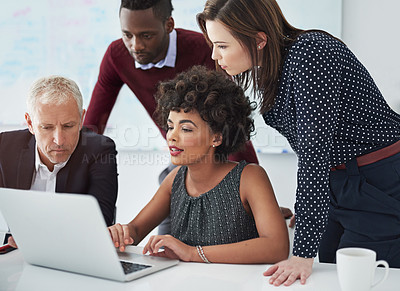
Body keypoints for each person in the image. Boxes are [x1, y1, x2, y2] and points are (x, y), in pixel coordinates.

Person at [197, 0, 400, 286]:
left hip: (376, 179)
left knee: (364, 281)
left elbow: (314, 154)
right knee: (328, 273)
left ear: (258, 40)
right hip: (340, 181)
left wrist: (303, 249)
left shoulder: (310, 53)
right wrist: (311, 208)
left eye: (223, 45)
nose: (215, 56)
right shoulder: (275, 67)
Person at [83, 0, 260, 235]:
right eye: (127, 35)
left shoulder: (204, 49)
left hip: (218, 158)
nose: (135, 46)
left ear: (169, 25)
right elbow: (92, 128)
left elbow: (230, 123)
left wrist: (256, 195)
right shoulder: (117, 56)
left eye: (146, 35)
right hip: (181, 162)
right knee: (166, 240)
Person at [108, 65, 289, 264]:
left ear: (216, 137)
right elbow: (135, 231)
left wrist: (193, 253)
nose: (172, 137)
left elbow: (277, 247)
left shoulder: (249, 177)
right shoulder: (175, 179)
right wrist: (120, 233)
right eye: (170, 127)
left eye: (186, 129)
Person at [0, 76, 118, 248]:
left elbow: (100, 224)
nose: (59, 140)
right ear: (30, 123)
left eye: (68, 126)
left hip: (77, 255)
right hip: (18, 255)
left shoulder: (99, 150)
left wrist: (37, 239)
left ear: (81, 118)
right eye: (47, 127)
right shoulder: (5, 147)